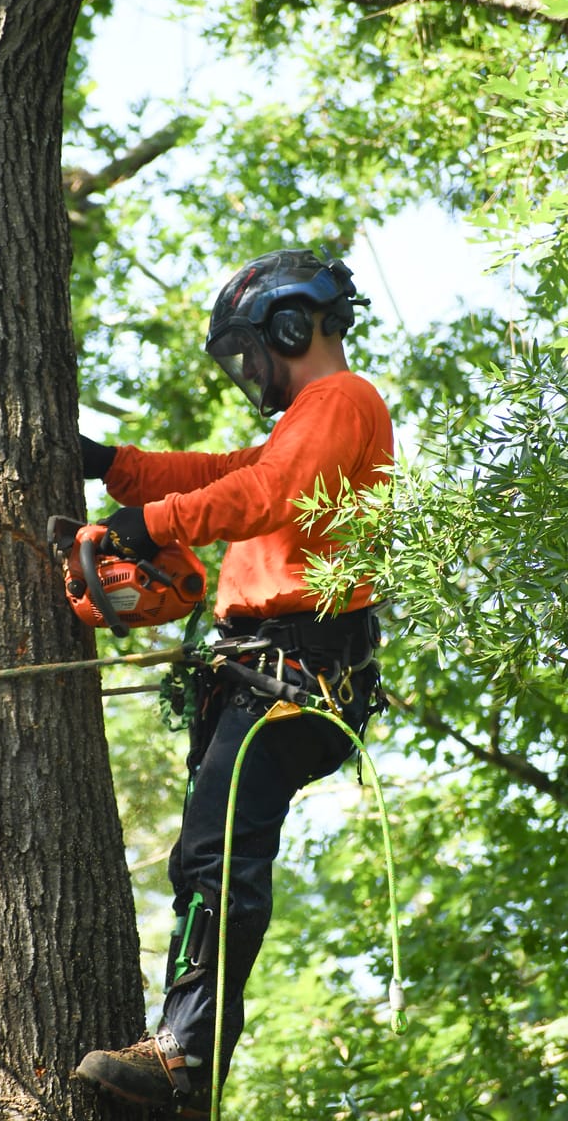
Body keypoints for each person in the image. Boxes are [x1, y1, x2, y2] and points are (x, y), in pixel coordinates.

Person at [74, 248, 394, 1118]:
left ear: (292, 327)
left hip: (297, 672)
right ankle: (181, 1056)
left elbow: (267, 492)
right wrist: (115, 466)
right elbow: (226, 472)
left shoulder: (343, 400)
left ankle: (184, 1064)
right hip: (262, 674)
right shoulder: (310, 419)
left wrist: (148, 521)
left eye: (253, 347)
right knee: (203, 857)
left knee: (220, 861)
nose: (250, 369)